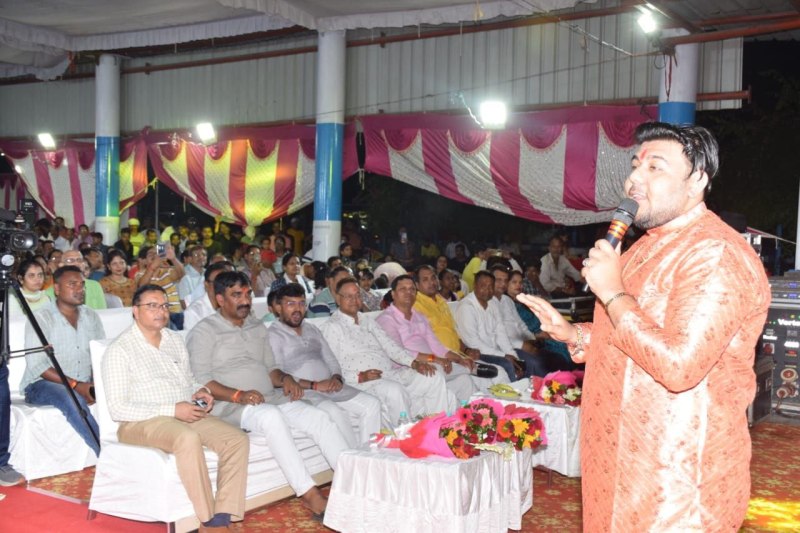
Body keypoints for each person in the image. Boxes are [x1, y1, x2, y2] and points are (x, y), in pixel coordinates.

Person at [517, 122, 770, 531]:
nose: (634, 178)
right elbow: (631, 333)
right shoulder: (642, 249)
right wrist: (574, 334)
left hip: (674, 479)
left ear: (698, 180)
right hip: (617, 461)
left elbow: (678, 364)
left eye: (656, 167)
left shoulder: (715, 252)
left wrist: (614, 293)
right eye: (636, 165)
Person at [187, 272, 350, 519]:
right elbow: (201, 380)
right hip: (229, 406)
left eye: (247, 294)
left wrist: (285, 379)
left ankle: (353, 482)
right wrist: (238, 395)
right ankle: (309, 493)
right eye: (236, 295)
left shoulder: (256, 326)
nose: (245, 301)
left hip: (268, 396)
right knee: (270, 416)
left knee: (318, 416)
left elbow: (271, 369)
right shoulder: (204, 331)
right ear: (220, 299)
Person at [102, 284, 248, 531]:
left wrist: (202, 391)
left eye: (164, 306)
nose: (160, 311)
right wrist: (172, 410)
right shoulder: (120, 349)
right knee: (187, 438)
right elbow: (118, 409)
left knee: (237, 440)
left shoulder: (174, 339)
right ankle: (209, 520)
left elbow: (188, 380)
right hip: (139, 423)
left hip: (184, 412)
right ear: (135, 311)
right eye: (152, 306)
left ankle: (224, 513)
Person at [320, 277, 456, 426]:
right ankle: (406, 438)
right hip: (361, 382)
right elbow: (330, 365)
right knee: (394, 390)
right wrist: (360, 376)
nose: (354, 300)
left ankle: (439, 428)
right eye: (349, 296)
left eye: (357, 295)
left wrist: (414, 363)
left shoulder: (367, 320)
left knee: (433, 375)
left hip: (389, 374)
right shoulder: (332, 327)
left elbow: (390, 346)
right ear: (338, 299)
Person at [268, 283, 382, 445]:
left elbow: (331, 359)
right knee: (334, 412)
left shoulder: (312, 329)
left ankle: (370, 454)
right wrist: (315, 385)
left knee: (372, 404)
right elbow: (277, 373)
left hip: (331, 387)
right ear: (278, 308)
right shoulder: (274, 334)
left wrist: (336, 377)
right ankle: (354, 459)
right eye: (290, 304)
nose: (297, 309)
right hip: (304, 392)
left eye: (301, 303)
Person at [21, 266, 104, 456]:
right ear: (57, 289)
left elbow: (98, 355)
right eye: (72, 284)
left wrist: (93, 384)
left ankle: (137, 447)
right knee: (71, 397)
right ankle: (106, 455)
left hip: (82, 381)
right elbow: (38, 366)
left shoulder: (91, 316)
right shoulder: (41, 317)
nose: (80, 289)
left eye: (82, 284)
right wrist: (76, 385)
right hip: (42, 385)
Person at [376, 275, 486, 404]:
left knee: (464, 380)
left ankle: (480, 412)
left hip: (432, 363)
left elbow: (437, 346)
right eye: (403, 289)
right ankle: (475, 370)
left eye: (412, 289)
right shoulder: (387, 319)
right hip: (406, 368)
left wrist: (459, 358)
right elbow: (400, 353)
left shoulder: (419, 316)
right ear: (393, 294)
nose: (408, 293)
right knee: (438, 370)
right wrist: (435, 359)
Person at [412, 265, 509, 384]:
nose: (431, 282)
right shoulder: (415, 305)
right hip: (441, 359)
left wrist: (467, 350)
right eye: (425, 280)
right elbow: (424, 342)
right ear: (416, 285)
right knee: (493, 375)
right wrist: (453, 358)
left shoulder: (441, 301)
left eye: (433, 278)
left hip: (457, 355)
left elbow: (454, 333)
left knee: (499, 373)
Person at [454, 270, 539, 381]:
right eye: (483, 286)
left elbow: (501, 334)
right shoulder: (467, 307)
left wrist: (513, 356)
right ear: (474, 285)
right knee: (508, 364)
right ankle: (512, 396)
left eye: (490, 286)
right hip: (479, 354)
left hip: (496, 350)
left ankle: (529, 393)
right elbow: (473, 343)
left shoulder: (492, 303)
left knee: (529, 362)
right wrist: (503, 356)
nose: (487, 290)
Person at [136, 245, 185, 330]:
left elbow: (182, 275)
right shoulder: (140, 274)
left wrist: (173, 258)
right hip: (159, 314)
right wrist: (153, 266)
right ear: (144, 261)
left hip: (177, 313)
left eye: (157, 254)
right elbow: (142, 286)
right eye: (150, 254)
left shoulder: (168, 271)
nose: (155, 256)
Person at [183, 262, 235, 332]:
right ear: (206, 285)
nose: (221, 287)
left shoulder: (234, 304)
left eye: (224, 283)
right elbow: (193, 341)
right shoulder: (194, 312)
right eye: (216, 283)